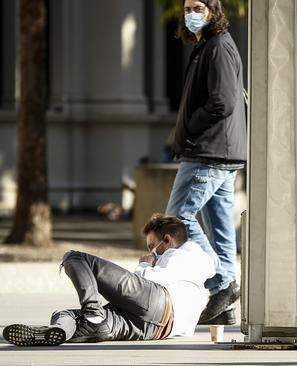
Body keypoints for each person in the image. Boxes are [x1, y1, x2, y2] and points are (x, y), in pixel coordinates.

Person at [2, 214, 215, 346]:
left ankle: (92, 312)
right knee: (65, 315)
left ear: (167, 240)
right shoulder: (197, 270)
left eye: (152, 246)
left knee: (74, 257)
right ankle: (58, 331)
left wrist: (145, 263)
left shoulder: (184, 254)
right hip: (155, 329)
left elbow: (146, 279)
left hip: (159, 303)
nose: (151, 252)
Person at [166, 0, 247, 326]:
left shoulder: (218, 47)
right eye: (187, 8)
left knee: (176, 220)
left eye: (198, 7)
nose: (191, 14)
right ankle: (225, 304)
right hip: (219, 151)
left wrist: (188, 129)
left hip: (209, 152)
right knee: (220, 226)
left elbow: (222, 103)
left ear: (214, 10)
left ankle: (222, 281)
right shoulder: (209, 46)